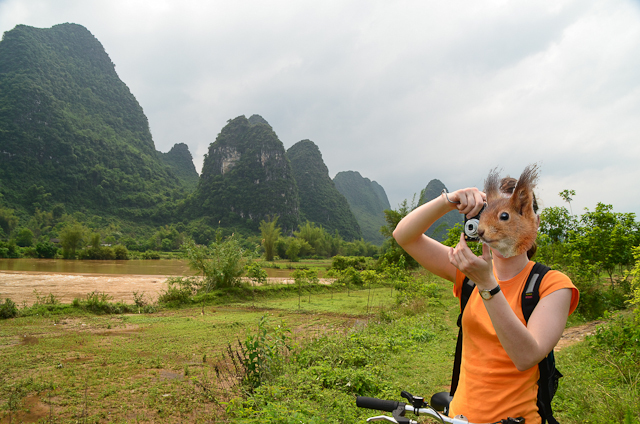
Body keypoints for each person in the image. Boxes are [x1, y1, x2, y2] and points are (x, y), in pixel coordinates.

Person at [392, 174, 579, 424]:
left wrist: (488, 284)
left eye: (508, 215)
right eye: (487, 213)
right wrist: (449, 200)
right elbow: (404, 236)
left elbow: (525, 357)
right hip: (459, 417)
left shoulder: (552, 285)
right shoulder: (468, 272)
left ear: (535, 221)